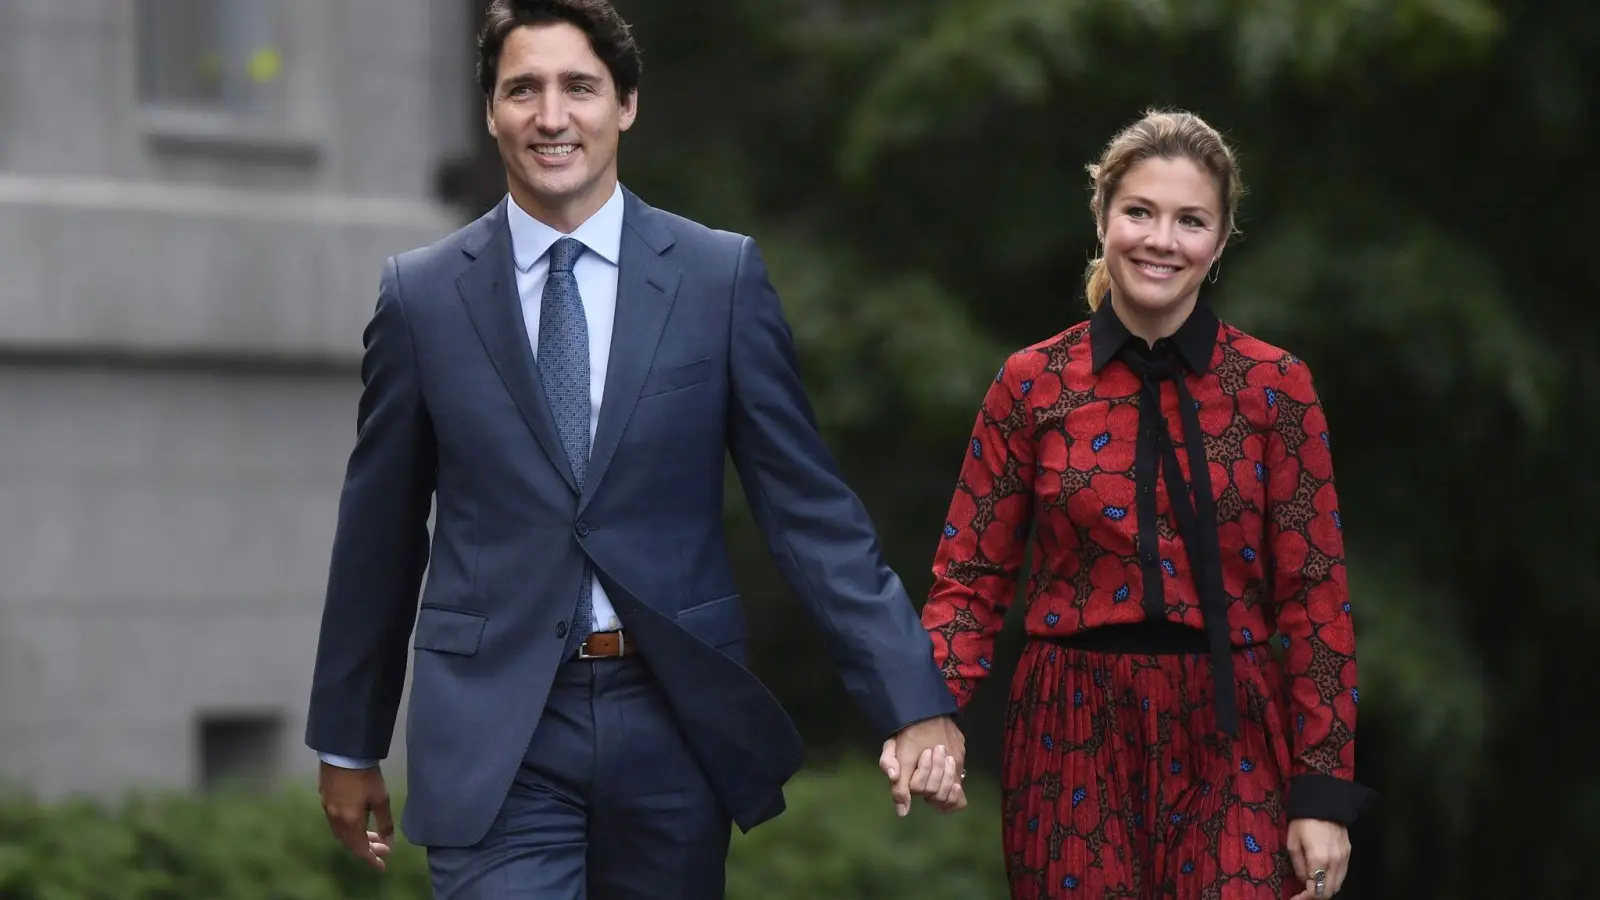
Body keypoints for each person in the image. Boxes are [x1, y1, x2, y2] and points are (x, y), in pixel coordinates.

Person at [303, 1, 966, 897]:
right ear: (491, 111)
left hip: (672, 719)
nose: (551, 116)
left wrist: (912, 700)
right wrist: (350, 739)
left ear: (625, 104)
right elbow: (379, 536)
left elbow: (808, 515)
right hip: (498, 730)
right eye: (522, 90)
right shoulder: (421, 298)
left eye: (579, 86)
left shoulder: (718, 279)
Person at [884, 109, 1376, 899]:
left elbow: (1316, 601)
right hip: (1070, 727)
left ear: (1218, 243)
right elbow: (970, 576)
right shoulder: (1032, 383)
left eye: (1190, 221)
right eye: (1140, 212)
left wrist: (1323, 792)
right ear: (1104, 219)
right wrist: (925, 710)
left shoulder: (1275, 388)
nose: (1161, 239)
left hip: (1233, 728)